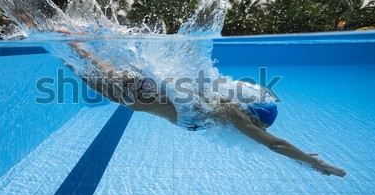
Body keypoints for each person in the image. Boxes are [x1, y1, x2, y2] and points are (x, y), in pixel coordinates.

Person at [66, 42, 346, 177]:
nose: (259, 131)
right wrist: (316, 163)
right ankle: (62, 41)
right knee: (84, 70)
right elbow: (274, 145)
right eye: (261, 125)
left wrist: (300, 160)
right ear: (252, 114)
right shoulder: (233, 114)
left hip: (142, 89)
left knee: (89, 69)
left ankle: (68, 41)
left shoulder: (224, 108)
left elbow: (272, 145)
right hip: (139, 91)